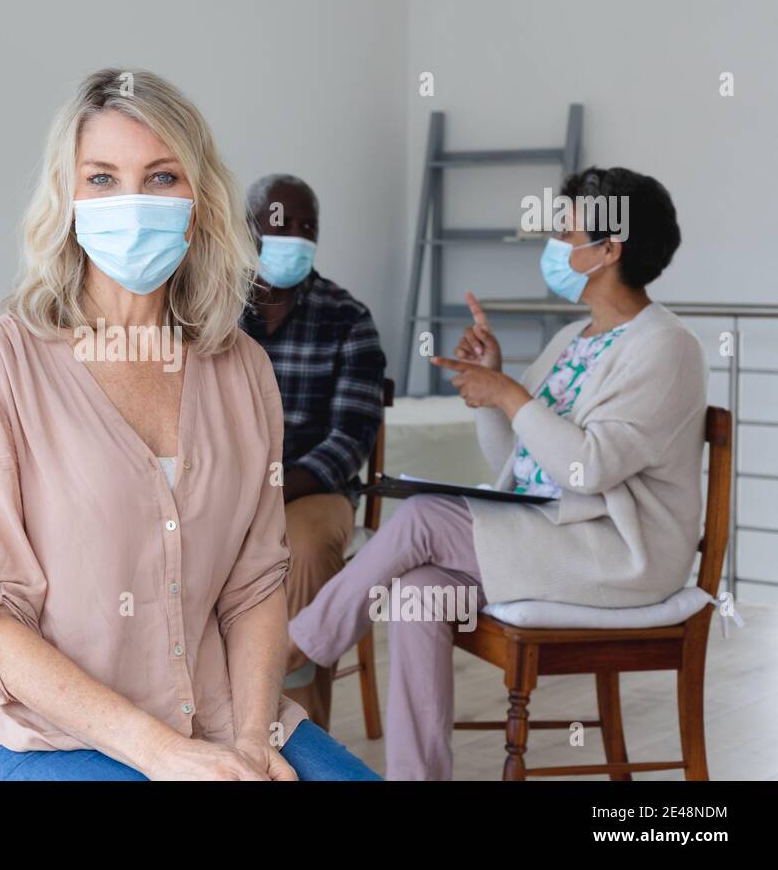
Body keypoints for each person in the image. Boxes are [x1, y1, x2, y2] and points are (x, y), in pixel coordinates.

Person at [0, 69, 379, 780]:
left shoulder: (243, 372)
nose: (133, 202)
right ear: (67, 199)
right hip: (46, 733)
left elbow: (256, 584)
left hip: (224, 713)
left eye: (162, 177)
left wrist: (252, 742)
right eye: (103, 178)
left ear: (200, 202)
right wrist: (160, 752)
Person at [288, 166, 707, 779]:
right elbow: (516, 463)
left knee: (425, 517)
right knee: (419, 590)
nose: (554, 247)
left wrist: (509, 392)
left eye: (565, 233)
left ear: (609, 249)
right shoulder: (573, 337)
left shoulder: (665, 348)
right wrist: (491, 388)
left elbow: (586, 468)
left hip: (620, 555)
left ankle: (291, 649)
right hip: (555, 532)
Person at [241, 173, 386, 729]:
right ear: (248, 230)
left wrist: (273, 490)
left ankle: (297, 732)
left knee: (300, 544)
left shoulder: (347, 318)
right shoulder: (209, 312)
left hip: (313, 490)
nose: (296, 236)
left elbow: (351, 438)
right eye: (282, 224)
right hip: (224, 486)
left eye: (309, 226)